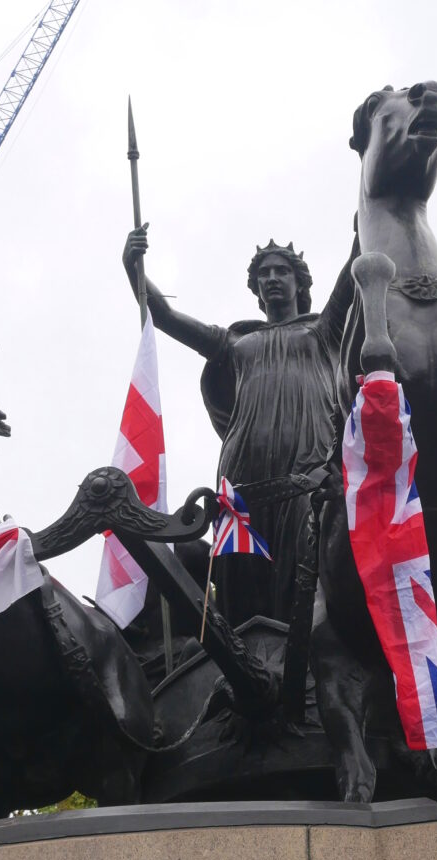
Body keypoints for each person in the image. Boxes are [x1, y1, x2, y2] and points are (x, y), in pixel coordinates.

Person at [123, 226, 354, 626]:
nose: (272, 278)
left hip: (310, 464)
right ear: (256, 288)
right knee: (241, 573)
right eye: (264, 274)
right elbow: (164, 317)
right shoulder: (232, 340)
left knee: (310, 558)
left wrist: (367, 207)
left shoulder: (324, 328)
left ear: (300, 282)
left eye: (282, 271)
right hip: (243, 468)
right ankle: (245, 648)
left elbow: (357, 265)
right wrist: (133, 266)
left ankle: (311, 648)